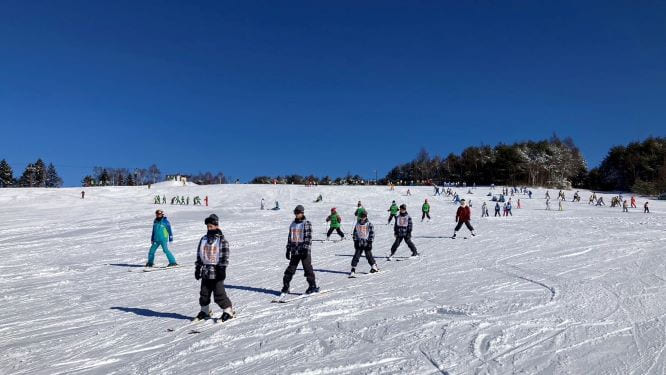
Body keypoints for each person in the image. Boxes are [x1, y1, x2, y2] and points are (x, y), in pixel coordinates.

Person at [194, 214, 234, 322]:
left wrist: (222, 269)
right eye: (208, 227)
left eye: (211, 226)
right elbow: (200, 253)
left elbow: (225, 255)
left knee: (219, 293)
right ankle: (205, 311)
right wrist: (198, 268)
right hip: (206, 272)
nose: (209, 228)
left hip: (216, 272)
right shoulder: (204, 239)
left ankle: (228, 311)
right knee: (204, 293)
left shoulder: (221, 240)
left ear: (216, 226)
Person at [280, 205, 319, 297]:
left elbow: (308, 237)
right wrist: (288, 249)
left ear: (302, 213)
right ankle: (286, 287)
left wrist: (305, 248)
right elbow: (290, 238)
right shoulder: (292, 224)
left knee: (307, 268)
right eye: (295, 213)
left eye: (298, 213)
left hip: (304, 251)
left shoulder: (306, 223)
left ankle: (312, 286)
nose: (296, 214)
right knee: (290, 270)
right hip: (295, 251)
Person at [350, 211, 378, 277]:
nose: (363, 218)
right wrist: (355, 241)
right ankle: (353, 269)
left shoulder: (369, 224)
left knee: (368, 255)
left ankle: (374, 266)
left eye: (364, 216)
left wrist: (370, 242)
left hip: (366, 242)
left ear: (366, 216)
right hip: (359, 243)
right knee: (356, 255)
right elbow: (355, 233)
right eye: (362, 216)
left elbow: (372, 233)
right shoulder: (357, 224)